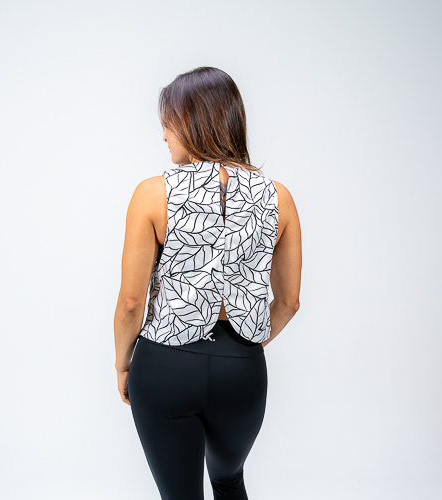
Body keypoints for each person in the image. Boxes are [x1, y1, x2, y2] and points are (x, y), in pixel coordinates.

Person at [114, 66, 302, 500]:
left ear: (192, 122)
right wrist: (243, 345)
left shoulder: (152, 194)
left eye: (168, 123)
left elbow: (131, 302)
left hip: (164, 366)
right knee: (229, 480)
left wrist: (124, 363)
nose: (164, 136)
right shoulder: (279, 197)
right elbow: (289, 301)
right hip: (243, 371)